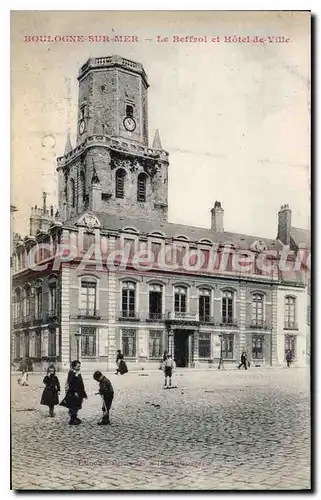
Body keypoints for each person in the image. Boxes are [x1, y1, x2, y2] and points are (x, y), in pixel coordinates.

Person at [60, 360, 87, 425]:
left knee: (77, 406)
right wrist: (74, 392)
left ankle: (75, 418)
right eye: (78, 366)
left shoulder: (77, 372)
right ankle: (72, 420)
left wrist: (84, 393)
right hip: (73, 393)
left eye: (79, 366)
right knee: (74, 406)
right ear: (74, 366)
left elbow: (81, 383)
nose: (79, 367)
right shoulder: (71, 373)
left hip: (79, 392)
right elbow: (70, 383)